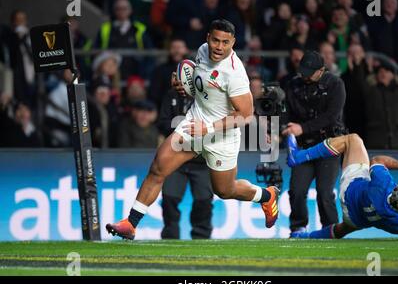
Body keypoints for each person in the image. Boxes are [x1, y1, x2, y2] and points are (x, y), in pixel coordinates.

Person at [106, 19, 280, 240]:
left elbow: (245, 115)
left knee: (225, 191)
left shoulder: (234, 74)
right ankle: (130, 224)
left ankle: (267, 195)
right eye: (216, 40)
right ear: (208, 37)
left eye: (225, 43)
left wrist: (208, 128)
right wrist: (182, 84)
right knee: (158, 167)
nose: (219, 47)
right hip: (194, 123)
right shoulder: (202, 51)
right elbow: (201, 86)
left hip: (221, 136)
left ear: (233, 43)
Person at [286, 133, 398, 240]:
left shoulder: (383, 185)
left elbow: (377, 160)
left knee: (352, 140)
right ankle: (301, 236)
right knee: (343, 229)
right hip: (357, 220)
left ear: (396, 188)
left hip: (350, 193)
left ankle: (298, 157)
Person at [281, 50, 346, 237]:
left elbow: (331, 116)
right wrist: (283, 128)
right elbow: (286, 113)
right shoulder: (293, 85)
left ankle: (331, 229)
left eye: (310, 72)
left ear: (322, 70)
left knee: (325, 192)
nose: (305, 75)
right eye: (303, 71)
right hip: (304, 147)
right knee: (296, 191)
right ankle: (298, 228)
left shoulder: (335, 84)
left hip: (329, 145)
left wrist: (303, 127)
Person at [158, 89, 214, 239]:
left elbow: (217, 124)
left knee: (204, 200)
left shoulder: (210, 96)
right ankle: (170, 235)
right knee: (169, 198)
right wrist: (185, 129)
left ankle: (201, 236)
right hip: (176, 158)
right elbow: (162, 123)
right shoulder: (171, 95)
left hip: (202, 160)